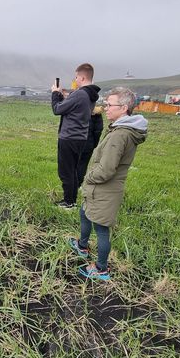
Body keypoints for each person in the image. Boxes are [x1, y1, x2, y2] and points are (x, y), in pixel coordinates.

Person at [70, 87, 147, 281]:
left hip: (105, 189)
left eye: (109, 104)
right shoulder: (120, 130)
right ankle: (82, 245)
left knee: (102, 229)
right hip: (99, 189)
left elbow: (106, 170)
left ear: (123, 107)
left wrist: (88, 178)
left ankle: (101, 269)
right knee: (85, 212)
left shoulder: (120, 135)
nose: (105, 108)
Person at [50, 63, 101, 209]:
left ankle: (68, 202)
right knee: (72, 170)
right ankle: (71, 200)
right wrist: (63, 96)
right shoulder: (91, 95)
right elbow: (71, 108)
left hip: (69, 137)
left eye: (77, 77)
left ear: (83, 77)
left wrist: (55, 93)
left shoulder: (80, 94)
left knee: (66, 171)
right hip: (80, 137)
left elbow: (57, 109)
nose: (75, 79)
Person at [77, 105, 105, 187]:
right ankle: (78, 183)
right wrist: (94, 143)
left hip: (73, 141)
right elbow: (98, 130)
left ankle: (70, 182)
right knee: (83, 164)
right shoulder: (97, 112)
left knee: (72, 163)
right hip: (87, 143)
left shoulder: (77, 108)